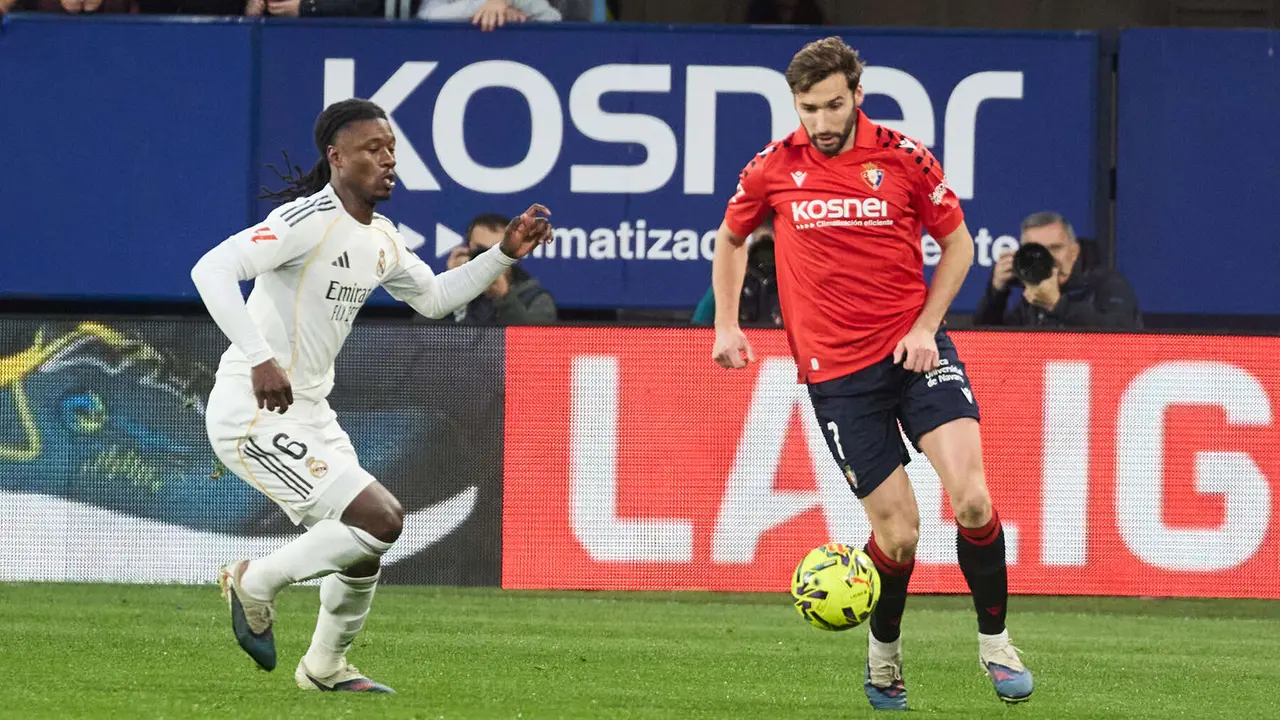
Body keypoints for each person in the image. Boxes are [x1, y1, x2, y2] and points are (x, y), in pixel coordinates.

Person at [710, 37, 1032, 710]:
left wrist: (924, 328)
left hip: (915, 353)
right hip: (837, 376)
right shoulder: (773, 167)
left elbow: (960, 244)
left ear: (858, 95)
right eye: (808, 109)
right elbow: (732, 237)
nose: (823, 123)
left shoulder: (905, 157)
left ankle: (995, 644)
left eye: (834, 106)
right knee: (900, 535)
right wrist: (727, 325)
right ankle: (884, 658)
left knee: (971, 499)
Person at [190, 98, 552, 694]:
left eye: (390, 150)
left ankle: (325, 667)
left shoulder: (380, 236)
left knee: (362, 551)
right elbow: (211, 269)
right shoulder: (305, 220)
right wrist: (259, 357)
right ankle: (253, 582)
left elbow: (435, 298)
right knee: (380, 518)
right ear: (336, 157)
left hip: (310, 411)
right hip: (251, 410)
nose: (387, 161)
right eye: (371, 150)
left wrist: (504, 253)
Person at [973, 211, 1141, 329]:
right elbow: (988, 346)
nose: (1047, 258)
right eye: (1037, 250)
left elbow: (1123, 336)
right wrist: (996, 293)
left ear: (1074, 251)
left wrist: (1057, 305)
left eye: (1054, 248)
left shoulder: (1106, 284)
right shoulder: (1033, 295)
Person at [443, 213, 558, 324]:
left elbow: (533, 341)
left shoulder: (535, 299)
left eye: (498, 252)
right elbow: (428, 335)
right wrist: (452, 285)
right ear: (466, 250)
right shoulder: (449, 290)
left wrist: (505, 298)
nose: (487, 260)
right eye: (481, 251)